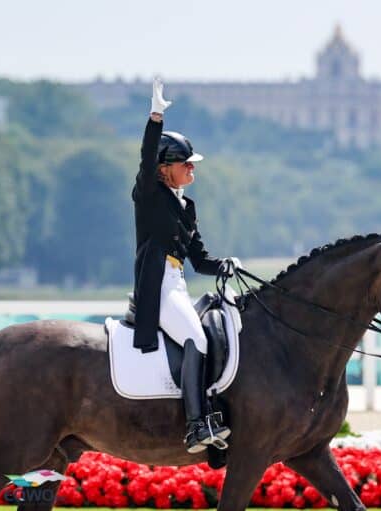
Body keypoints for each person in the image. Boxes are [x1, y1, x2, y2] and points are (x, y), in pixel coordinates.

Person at [132, 77, 242, 453]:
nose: (192, 171)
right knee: (196, 338)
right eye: (186, 165)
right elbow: (146, 157)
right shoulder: (149, 192)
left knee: (209, 333)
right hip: (157, 284)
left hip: (177, 280)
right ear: (166, 168)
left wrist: (224, 265)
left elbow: (198, 259)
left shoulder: (185, 206)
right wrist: (156, 117)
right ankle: (197, 425)